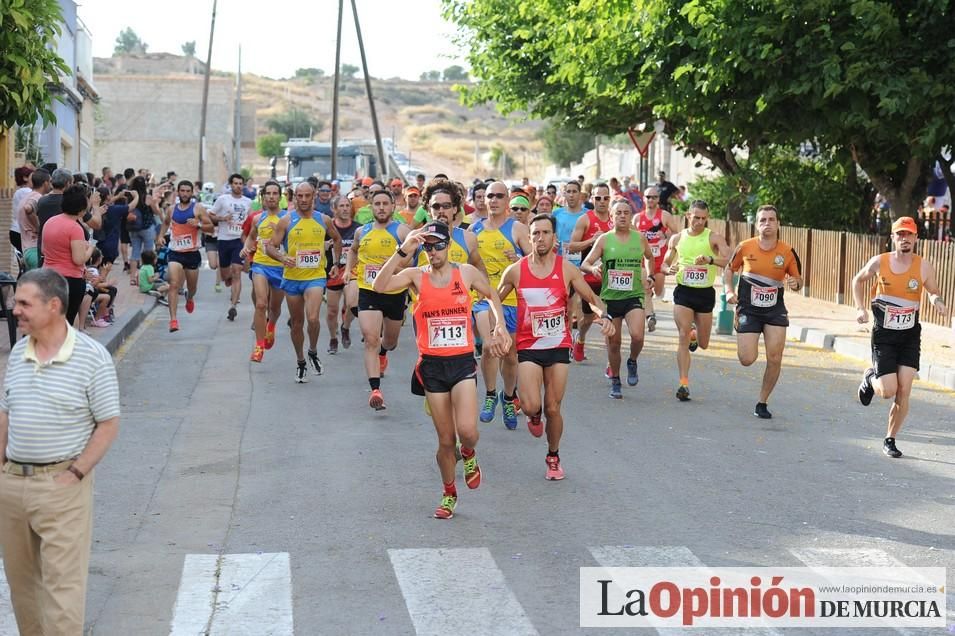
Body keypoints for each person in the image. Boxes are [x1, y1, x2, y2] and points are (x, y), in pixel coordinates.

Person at [0, 268, 120, 635]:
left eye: (23, 302)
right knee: (23, 591)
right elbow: (6, 413)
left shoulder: (91, 357)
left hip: (62, 485)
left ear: (54, 306)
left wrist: (76, 473)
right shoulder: (20, 351)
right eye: (15, 300)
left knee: (62, 591)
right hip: (12, 485)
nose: (13, 308)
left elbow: (108, 423)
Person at [374, 222, 509, 519]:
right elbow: (379, 286)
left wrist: (499, 324)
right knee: (446, 441)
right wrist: (402, 251)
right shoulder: (415, 276)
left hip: (461, 361)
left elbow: (491, 294)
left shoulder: (466, 273)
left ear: (448, 246)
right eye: (427, 246)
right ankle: (449, 492)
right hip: (432, 366)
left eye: (438, 246)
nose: (432, 252)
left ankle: (470, 453)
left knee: (468, 432)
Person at [498, 214, 614, 479]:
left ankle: (553, 455)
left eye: (545, 233)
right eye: (535, 233)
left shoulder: (566, 269)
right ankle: (532, 415)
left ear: (554, 238)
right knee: (531, 406)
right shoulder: (516, 270)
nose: (540, 238)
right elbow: (495, 299)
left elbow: (592, 298)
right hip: (528, 345)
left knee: (553, 407)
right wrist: (496, 325)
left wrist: (602, 315)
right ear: (528, 238)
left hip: (558, 344)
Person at [852, 216, 949, 458]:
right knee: (887, 391)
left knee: (904, 389)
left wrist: (936, 300)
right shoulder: (880, 262)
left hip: (909, 335)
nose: (904, 239)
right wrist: (860, 308)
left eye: (909, 234)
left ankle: (890, 439)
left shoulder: (923, 266)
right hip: (884, 335)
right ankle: (870, 377)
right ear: (893, 238)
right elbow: (857, 280)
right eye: (900, 234)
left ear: (916, 238)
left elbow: (933, 290)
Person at [723, 205, 803, 419]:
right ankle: (743, 330)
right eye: (763, 220)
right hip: (748, 307)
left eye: (771, 219)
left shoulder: (787, 251)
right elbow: (729, 270)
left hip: (774, 310)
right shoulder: (745, 247)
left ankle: (762, 401)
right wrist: (729, 290)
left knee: (775, 356)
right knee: (747, 358)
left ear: (778, 224)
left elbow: (798, 281)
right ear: (757, 224)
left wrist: (795, 283)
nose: (767, 223)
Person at [469, 180, 531, 428]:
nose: (493, 200)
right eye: (489, 196)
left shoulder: (516, 228)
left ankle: (508, 396)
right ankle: (490, 394)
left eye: (499, 196)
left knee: (511, 354)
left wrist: (518, 258)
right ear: (484, 200)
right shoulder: (473, 230)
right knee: (488, 345)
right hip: (484, 297)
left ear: (507, 201)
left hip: (512, 299)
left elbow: (534, 260)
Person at [267, 181, 342, 382]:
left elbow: (337, 239)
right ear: (294, 197)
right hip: (292, 279)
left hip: (315, 277)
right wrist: (282, 258)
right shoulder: (286, 221)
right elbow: (270, 247)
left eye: (307, 196)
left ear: (314, 196)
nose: (303, 200)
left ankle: (313, 350)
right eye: (299, 196)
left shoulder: (324, 220)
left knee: (313, 318)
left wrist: (335, 263)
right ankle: (301, 361)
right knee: (297, 324)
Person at [581, 199, 654, 398]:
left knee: (638, 335)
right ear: (612, 218)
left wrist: (650, 276)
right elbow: (585, 263)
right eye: (618, 213)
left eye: (626, 212)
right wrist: (593, 268)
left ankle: (632, 360)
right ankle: (616, 380)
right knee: (614, 343)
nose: (622, 216)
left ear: (631, 217)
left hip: (633, 295)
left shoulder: (639, 238)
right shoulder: (604, 239)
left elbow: (649, 257)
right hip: (611, 299)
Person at [345, 190, 410, 409]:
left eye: (385, 204)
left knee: (389, 342)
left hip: (394, 292)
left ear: (393, 206)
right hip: (368, 290)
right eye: (377, 204)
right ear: (370, 207)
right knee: (370, 339)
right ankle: (375, 389)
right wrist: (348, 270)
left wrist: (395, 265)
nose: (381, 208)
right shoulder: (361, 231)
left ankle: (384, 352)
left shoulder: (402, 231)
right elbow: (353, 251)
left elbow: (414, 260)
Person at [662, 200, 730, 401]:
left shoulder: (714, 238)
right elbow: (664, 264)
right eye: (696, 217)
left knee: (704, 343)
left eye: (703, 218)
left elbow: (730, 260)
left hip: (705, 294)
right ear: (687, 216)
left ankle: (695, 335)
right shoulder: (676, 238)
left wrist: (710, 260)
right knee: (682, 334)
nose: (699, 221)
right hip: (684, 292)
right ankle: (683, 383)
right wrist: (669, 269)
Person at [567, 182, 615, 363]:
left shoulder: (616, 219)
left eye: (606, 198)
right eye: (598, 198)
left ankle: (612, 365)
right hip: (589, 277)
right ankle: (580, 339)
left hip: (612, 279)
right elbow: (571, 247)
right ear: (591, 199)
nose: (602, 201)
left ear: (610, 199)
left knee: (610, 318)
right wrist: (592, 241)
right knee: (587, 319)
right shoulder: (585, 220)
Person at [157, 180, 214, 332]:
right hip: (175, 252)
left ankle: (190, 297)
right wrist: (161, 236)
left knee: (192, 287)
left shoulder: (198, 209)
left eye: (188, 191)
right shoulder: (171, 209)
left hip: (192, 253)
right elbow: (165, 223)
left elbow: (211, 228)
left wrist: (199, 224)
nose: (185, 194)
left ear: (192, 193)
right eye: (182, 191)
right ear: (178, 192)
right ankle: (173, 320)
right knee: (174, 284)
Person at [241, 181, 287, 362]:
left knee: (275, 307)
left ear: (280, 196)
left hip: (280, 267)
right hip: (260, 264)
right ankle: (259, 345)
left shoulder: (287, 218)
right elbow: (251, 237)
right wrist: (246, 248)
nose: (271, 196)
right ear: (263, 197)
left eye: (275, 193)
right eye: (268, 193)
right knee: (261, 304)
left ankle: (271, 326)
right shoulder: (257, 218)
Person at [41, 185, 99, 326]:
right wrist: (90, 248)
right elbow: (78, 259)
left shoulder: (50, 221)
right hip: (69, 281)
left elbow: (44, 249)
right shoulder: (75, 228)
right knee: (65, 323)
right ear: (81, 210)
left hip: (47, 276)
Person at [634, 186, 681, 332]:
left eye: (654, 197)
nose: (651, 200)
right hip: (644, 260)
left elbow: (676, 234)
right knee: (646, 288)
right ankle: (650, 316)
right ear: (644, 198)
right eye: (648, 197)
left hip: (660, 259)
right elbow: (632, 238)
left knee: (659, 289)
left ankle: (652, 293)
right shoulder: (637, 218)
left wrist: (665, 236)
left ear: (658, 199)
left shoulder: (664, 216)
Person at [210, 174, 253, 321]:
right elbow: (211, 215)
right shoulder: (223, 199)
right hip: (224, 240)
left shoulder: (248, 202)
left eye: (241, 183)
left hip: (239, 240)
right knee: (225, 275)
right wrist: (222, 218)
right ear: (230, 185)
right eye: (235, 183)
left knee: (237, 272)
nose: (238, 186)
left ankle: (233, 305)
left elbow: (252, 221)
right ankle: (228, 280)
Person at [324, 195, 360, 353]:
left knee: (353, 304)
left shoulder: (359, 228)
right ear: (334, 209)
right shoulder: (328, 228)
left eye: (347, 205)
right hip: (332, 272)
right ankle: (333, 338)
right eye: (342, 206)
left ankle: (345, 327)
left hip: (352, 271)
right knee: (332, 311)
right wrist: (323, 245)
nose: (346, 209)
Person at [15, 169, 52, 270]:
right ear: (45, 183)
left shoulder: (27, 196)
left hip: (28, 249)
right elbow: (28, 208)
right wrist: (39, 227)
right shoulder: (38, 197)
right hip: (34, 249)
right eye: (50, 182)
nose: (51, 185)